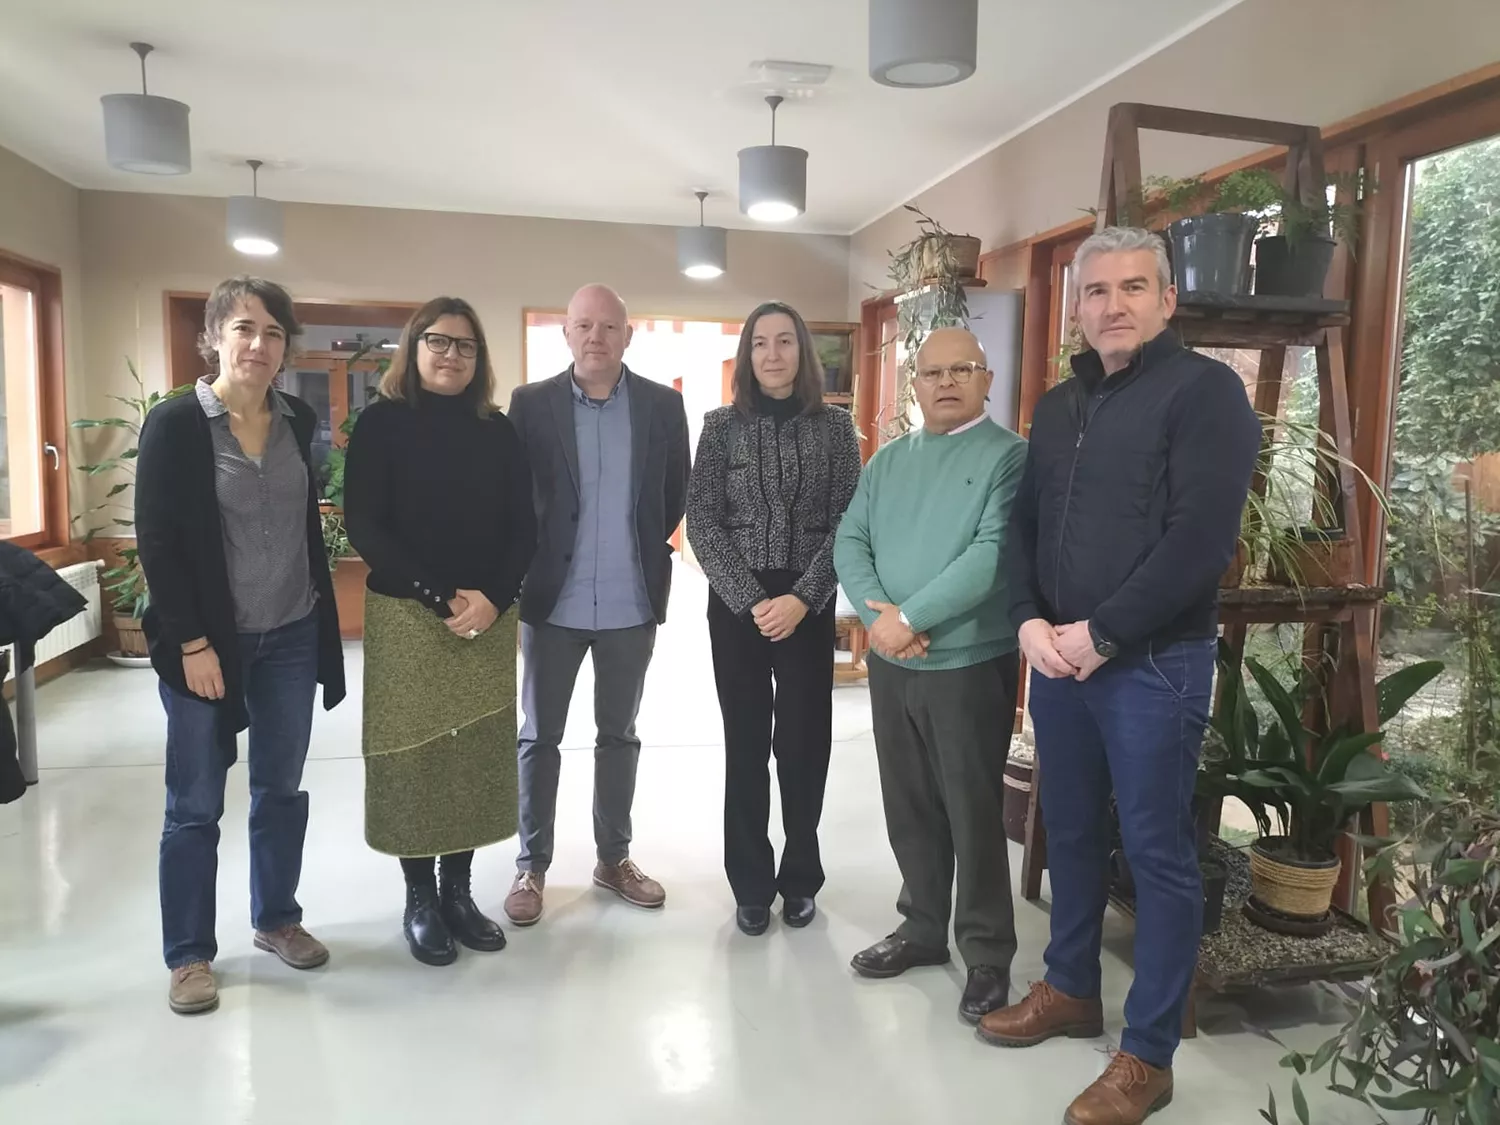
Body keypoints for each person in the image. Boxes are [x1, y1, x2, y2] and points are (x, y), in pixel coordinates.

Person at [980, 227, 1259, 1125]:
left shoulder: (1207, 393)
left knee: (1157, 851)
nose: (1114, 305)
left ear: (1167, 299)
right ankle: (1069, 987)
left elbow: (1199, 544)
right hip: (1059, 658)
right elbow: (1024, 525)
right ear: (1077, 309)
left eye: (1133, 287)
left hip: (1152, 663)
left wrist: (1100, 634)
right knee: (1064, 827)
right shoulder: (1059, 406)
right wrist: (1029, 620)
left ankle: (1148, 1054)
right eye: (1096, 291)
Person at [135, 276, 346, 1015]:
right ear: (216, 336)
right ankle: (189, 954)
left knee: (279, 790)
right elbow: (158, 543)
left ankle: (276, 917)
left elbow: (303, 529)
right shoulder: (174, 425)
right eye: (244, 329)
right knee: (194, 803)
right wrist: (192, 641)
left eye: (274, 333)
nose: (259, 345)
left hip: (290, 632)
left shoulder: (295, 416)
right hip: (207, 643)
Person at [833, 326, 1027, 1025]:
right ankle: (921, 926)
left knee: (972, 810)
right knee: (908, 801)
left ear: (987, 378)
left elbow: (993, 553)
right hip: (894, 664)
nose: (945, 382)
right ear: (913, 384)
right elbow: (850, 539)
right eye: (931, 372)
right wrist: (878, 616)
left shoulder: (1010, 457)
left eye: (961, 369)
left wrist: (907, 616)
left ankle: (986, 953)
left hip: (968, 663)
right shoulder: (888, 462)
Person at [343, 297, 536, 966]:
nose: (451, 354)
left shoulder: (498, 431)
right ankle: (419, 896)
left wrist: (495, 598)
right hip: (407, 616)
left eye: (465, 345)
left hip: (487, 616)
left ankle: (459, 889)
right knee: (414, 756)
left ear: (479, 359)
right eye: (439, 341)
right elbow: (365, 523)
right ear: (414, 347)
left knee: (473, 755)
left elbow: (524, 528)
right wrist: (437, 595)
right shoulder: (382, 423)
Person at [503, 283, 690, 925]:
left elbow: (672, 498)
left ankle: (614, 859)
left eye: (609, 326)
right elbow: (513, 495)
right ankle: (531, 866)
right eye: (584, 325)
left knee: (619, 735)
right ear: (566, 333)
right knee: (538, 737)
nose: (596, 337)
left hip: (629, 602)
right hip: (551, 603)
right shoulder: (530, 405)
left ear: (628, 336)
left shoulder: (664, 407)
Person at [686, 301, 862, 936]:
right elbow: (701, 518)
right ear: (747, 355)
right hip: (738, 606)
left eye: (785, 341)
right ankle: (752, 884)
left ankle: (801, 875)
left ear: (803, 352)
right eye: (760, 343)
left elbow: (849, 520)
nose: (772, 354)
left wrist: (804, 597)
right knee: (747, 744)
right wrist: (749, 598)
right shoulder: (720, 427)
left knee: (803, 744)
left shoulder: (836, 429)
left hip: (806, 604)